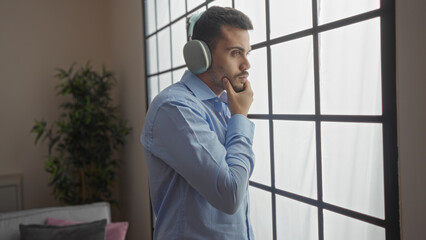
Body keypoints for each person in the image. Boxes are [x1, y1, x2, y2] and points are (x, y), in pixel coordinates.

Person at [141, 6, 255, 239]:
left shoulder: (227, 104)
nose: (246, 65)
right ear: (200, 54)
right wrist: (240, 118)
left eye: (247, 53)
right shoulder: (174, 108)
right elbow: (230, 194)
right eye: (235, 53)